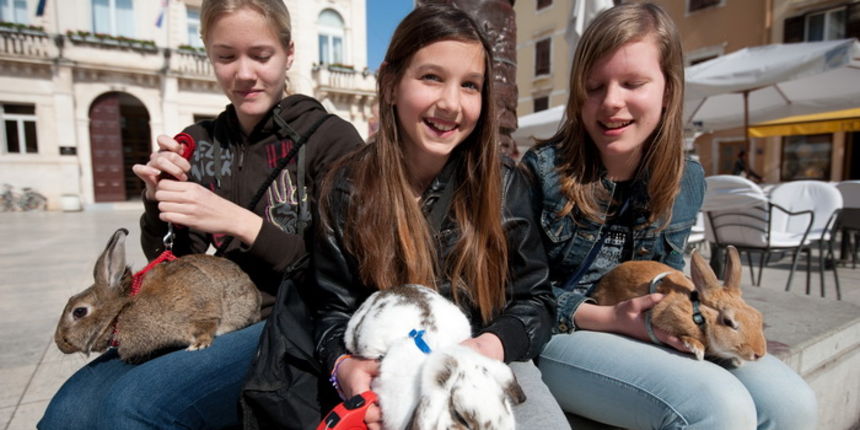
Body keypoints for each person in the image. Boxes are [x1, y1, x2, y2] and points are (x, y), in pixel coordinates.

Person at [39, 1, 362, 428]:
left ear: (289, 53)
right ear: (208, 54)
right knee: (68, 410)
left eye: (260, 55)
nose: (244, 74)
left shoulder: (331, 138)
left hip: (291, 318)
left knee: (132, 406)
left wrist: (239, 222)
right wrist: (157, 201)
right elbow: (173, 258)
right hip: (210, 310)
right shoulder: (199, 142)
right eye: (226, 56)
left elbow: (347, 265)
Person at [520, 3, 817, 430]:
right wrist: (608, 317)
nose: (611, 102)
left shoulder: (686, 178)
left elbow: (669, 274)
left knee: (793, 405)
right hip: (561, 330)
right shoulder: (543, 171)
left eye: (632, 83)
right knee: (718, 407)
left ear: (668, 89)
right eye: (594, 86)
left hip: (650, 328)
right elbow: (515, 289)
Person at [311, 4, 568, 429]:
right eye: (431, 77)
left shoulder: (504, 186)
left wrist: (486, 346)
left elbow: (536, 301)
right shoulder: (345, 188)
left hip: (487, 362)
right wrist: (344, 368)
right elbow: (330, 309)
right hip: (389, 374)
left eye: (470, 85)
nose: (451, 103)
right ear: (390, 85)